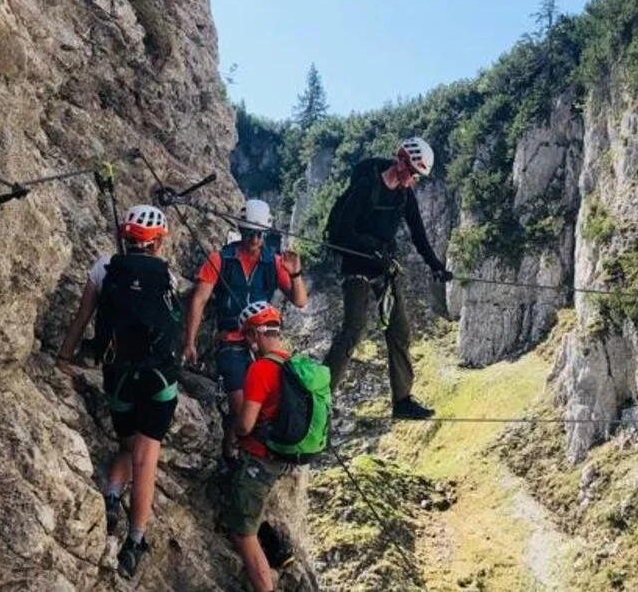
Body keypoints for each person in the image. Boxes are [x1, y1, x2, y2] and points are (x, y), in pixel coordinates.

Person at [56, 204, 181, 579]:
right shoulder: (167, 276)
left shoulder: (103, 267)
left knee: (127, 446)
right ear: (157, 243)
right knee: (147, 458)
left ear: (124, 237)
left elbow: (83, 316)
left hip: (118, 374)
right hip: (159, 378)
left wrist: (65, 355)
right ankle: (135, 541)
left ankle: (112, 494)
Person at [322, 136, 453, 419]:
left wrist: (435, 265)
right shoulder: (366, 187)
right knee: (353, 329)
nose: (414, 180)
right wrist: (372, 248)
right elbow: (341, 232)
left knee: (399, 330)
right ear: (402, 162)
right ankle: (320, 394)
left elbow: (419, 234)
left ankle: (402, 400)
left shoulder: (404, 195)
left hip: (382, 267)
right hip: (356, 263)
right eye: (414, 173)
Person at [182, 199, 307, 457]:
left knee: (265, 406)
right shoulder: (221, 258)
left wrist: (294, 274)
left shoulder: (273, 263)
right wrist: (190, 342)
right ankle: (233, 454)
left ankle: (242, 454)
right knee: (241, 409)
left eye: (259, 234)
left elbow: (300, 300)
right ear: (242, 231)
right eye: (250, 233)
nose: (254, 240)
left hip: (263, 341)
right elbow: (199, 299)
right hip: (232, 341)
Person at [226, 301, 322, 592]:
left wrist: (232, 431)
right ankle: (281, 556)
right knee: (255, 516)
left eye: (248, 336)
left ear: (256, 334)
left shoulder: (261, 370)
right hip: (284, 456)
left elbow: (245, 425)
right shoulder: (293, 364)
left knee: (243, 533)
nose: (248, 343)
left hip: (259, 460)